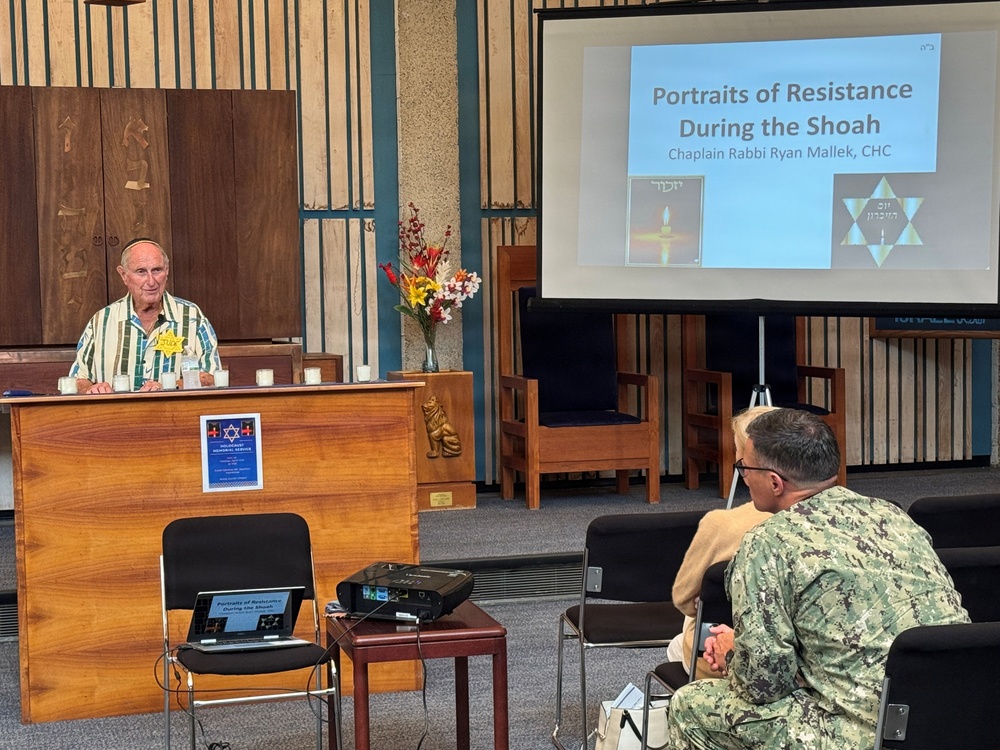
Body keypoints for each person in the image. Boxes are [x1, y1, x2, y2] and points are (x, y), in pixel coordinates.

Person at [667, 408, 969, 750]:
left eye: (744, 469)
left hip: (866, 733)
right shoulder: (895, 517)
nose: (744, 478)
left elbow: (763, 685)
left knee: (692, 705)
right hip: (955, 713)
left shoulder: (768, 542)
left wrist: (733, 652)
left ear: (775, 482)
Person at [666, 406, 777, 680]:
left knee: (678, 642)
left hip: (732, 653)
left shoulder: (721, 524)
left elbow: (684, 599)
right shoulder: (843, 519)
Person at [69, 238, 220, 394]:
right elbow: (77, 379)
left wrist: (170, 387)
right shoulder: (101, 320)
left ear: (167, 271)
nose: (151, 281)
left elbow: (213, 377)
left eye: (157, 270)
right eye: (141, 271)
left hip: (174, 414)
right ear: (123, 275)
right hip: (116, 415)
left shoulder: (192, 316)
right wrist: (91, 388)